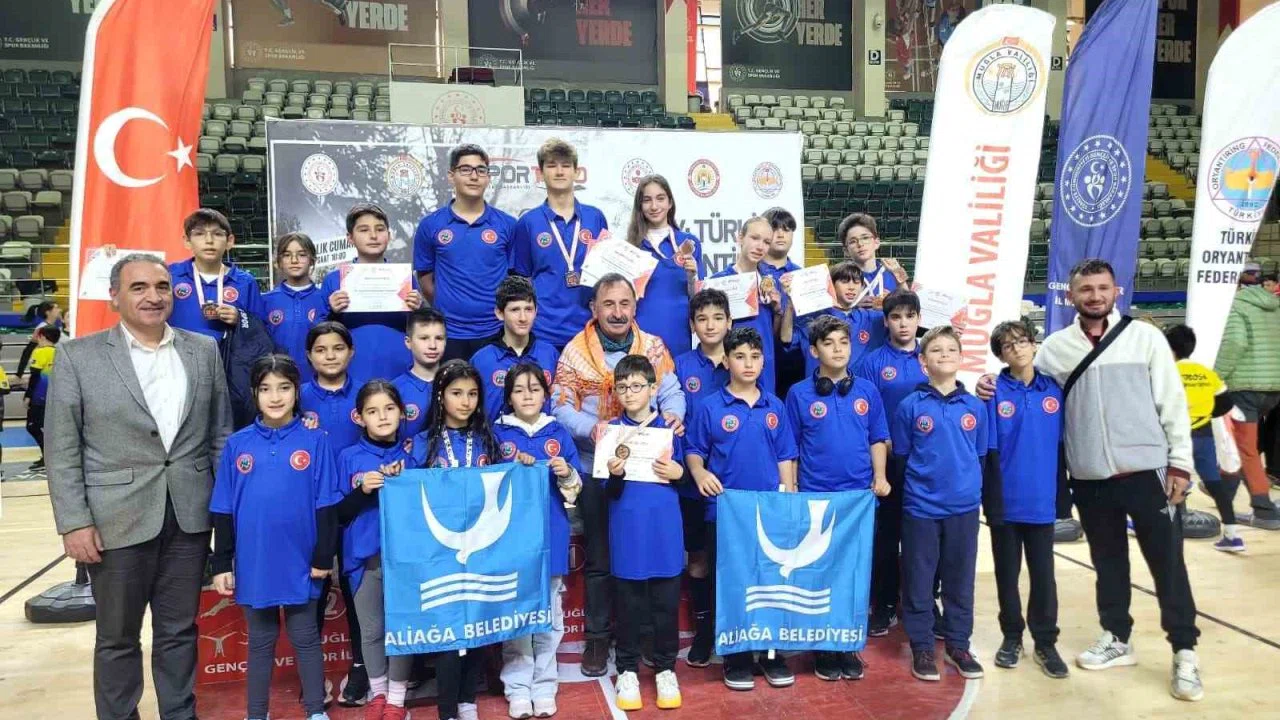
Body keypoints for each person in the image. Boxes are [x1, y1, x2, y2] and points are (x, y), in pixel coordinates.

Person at [977, 258, 1201, 701]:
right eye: (1086, 289)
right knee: (1108, 561)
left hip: (1147, 470)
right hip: (1090, 477)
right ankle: (1117, 636)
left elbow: (1172, 402)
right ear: (1071, 296)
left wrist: (1180, 462)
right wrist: (988, 382)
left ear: (1116, 291)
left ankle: (1184, 651)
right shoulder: (1055, 349)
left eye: (1102, 288)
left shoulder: (1145, 338)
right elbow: (1021, 377)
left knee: (1167, 563)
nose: (1095, 296)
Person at [46, 253, 234, 720]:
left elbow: (220, 437)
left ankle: (180, 713)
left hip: (189, 516)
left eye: (162, 286)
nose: (153, 296)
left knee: (179, 631)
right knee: (116, 637)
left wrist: (225, 515)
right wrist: (74, 522)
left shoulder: (203, 350)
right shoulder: (78, 356)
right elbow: (62, 448)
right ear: (114, 297)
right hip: (114, 520)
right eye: (139, 287)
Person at [551, 273, 687, 676]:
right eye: (608, 304)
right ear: (594, 308)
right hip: (596, 465)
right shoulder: (575, 352)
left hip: (649, 468)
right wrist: (590, 428)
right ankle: (597, 638)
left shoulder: (653, 346)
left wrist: (673, 415)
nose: (617, 312)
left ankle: (643, 635)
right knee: (600, 556)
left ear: (635, 306)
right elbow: (560, 405)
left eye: (624, 303)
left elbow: (673, 391)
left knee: (645, 554)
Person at [209, 354, 340, 720]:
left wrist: (322, 557)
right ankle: (257, 714)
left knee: (305, 637)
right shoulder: (238, 445)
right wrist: (221, 563)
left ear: (297, 392)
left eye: (284, 387)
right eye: (266, 389)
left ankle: (315, 711)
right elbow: (223, 508)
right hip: (255, 561)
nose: (275, 396)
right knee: (260, 642)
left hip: (302, 561)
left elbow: (327, 504)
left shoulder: (315, 442)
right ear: (254, 393)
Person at [685, 326, 798, 691]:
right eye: (739, 356)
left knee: (770, 582)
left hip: (768, 512)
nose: (748, 363)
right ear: (727, 361)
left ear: (763, 361)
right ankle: (736, 657)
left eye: (755, 356)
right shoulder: (710, 407)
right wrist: (700, 473)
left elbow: (785, 455)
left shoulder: (775, 406)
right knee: (731, 583)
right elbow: (694, 451)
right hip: (725, 512)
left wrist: (788, 497)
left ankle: (771, 653)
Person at [784, 315, 891, 682]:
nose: (838, 349)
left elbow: (877, 437)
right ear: (814, 351)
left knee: (854, 574)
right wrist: (792, 489)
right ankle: (824, 648)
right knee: (821, 573)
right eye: (829, 343)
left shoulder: (868, 392)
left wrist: (880, 476)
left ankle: (847, 644)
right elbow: (790, 448)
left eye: (844, 342)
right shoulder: (799, 394)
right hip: (816, 498)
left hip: (859, 500)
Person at [892, 325, 988, 683]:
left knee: (960, 580)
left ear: (961, 358)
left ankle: (959, 644)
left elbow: (980, 456)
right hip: (921, 509)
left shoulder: (975, 407)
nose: (944, 355)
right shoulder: (909, 406)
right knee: (919, 580)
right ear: (923, 361)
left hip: (963, 509)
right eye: (936, 350)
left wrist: (969, 491)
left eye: (951, 350)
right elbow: (902, 458)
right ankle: (921, 646)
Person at [410, 360, 504, 720]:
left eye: (472, 394)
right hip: (440, 553)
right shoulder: (422, 443)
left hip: (482, 549)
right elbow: (409, 497)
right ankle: (447, 710)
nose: (465, 401)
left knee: (477, 627)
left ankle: (467, 702)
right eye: (456, 393)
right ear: (440, 396)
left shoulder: (488, 439)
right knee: (450, 635)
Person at [493, 363, 584, 720]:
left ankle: (545, 684)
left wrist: (566, 472)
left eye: (534, 389)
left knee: (549, 614)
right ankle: (517, 686)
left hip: (551, 534)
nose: (527, 395)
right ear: (508, 397)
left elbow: (576, 489)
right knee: (517, 615)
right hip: (510, 540)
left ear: (546, 395)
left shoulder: (558, 432)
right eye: (519, 390)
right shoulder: (497, 434)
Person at [983, 319, 1069, 679]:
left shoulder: (1055, 390)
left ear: (1034, 345)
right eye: (1008, 345)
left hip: (1042, 500)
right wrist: (990, 499)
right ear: (1001, 355)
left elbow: (1064, 447)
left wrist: (1063, 497)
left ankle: (1046, 642)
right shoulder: (992, 392)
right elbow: (988, 451)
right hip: (1005, 500)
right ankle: (1012, 636)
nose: (1016, 348)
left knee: (1044, 575)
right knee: (1007, 574)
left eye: (1022, 341)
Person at [604, 355, 688, 712]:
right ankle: (627, 670)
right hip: (627, 529)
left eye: (637, 385)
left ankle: (666, 669)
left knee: (666, 605)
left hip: (664, 528)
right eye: (622, 387)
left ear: (653, 389)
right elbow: (609, 491)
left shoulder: (670, 429)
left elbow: (687, 477)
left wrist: (679, 472)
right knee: (629, 606)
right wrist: (615, 474)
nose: (629, 392)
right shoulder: (611, 432)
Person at [333, 380, 418, 720]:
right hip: (363, 559)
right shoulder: (348, 458)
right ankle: (378, 694)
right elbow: (338, 514)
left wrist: (403, 482)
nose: (382, 417)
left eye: (389, 409)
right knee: (371, 630)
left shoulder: (413, 457)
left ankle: (397, 699)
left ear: (402, 413)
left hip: (406, 559)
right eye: (373, 411)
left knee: (401, 628)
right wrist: (363, 490)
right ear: (359, 417)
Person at [856, 289, 927, 635]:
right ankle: (883, 604)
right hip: (887, 461)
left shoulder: (931, 356)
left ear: (919, 319)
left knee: (924, 536)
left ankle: (925, 602)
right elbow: (866, 416)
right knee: (885, 536)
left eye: (909, 316)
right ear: (885, 322)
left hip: (926, 461)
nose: (903, 323)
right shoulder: (871, 363)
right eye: (896, 317)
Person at [413, 144, 518, 362]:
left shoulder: (507, 224)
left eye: (481, 170)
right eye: (465, 169)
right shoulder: (430, 225)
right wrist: (450, 305)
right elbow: (425, 278)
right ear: (451, 176)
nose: (474, 176)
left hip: (496, 330)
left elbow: (515, 278)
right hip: (449, 333)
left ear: (488, 177)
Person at [671, 288, 731, 664]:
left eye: (717, 318)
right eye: (702, 319)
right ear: (692, 325)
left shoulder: (743, 360)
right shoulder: (680, 365)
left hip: (735, 480)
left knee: (733, 559)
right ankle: (704, 631)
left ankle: (732, 630)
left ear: (729, 322)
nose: (710, 325)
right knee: (698, 558)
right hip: (692, 481)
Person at [512, 138, 610, 350]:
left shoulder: (595, 218)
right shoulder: (528, 223)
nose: (559, 172)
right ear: (540, 173)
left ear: (576, 172)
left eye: (565, 165)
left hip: (589, 329)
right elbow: (522, 280)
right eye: (551, 165)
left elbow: (606, 273)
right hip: (543, 331)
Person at [322, 204, 424, 383]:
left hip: (399, 366)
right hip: (351, 368)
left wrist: (419, 310)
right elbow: (317, 333)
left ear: (389, 236)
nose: (373, 236)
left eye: (380, 229)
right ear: (350, 238)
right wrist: (332, 312)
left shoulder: (405, 279)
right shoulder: (334, 280)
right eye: (364, 230)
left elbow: (422, 330)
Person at [1213, 260, 1280, 528]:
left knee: (1244, 449)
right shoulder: (1274, 306)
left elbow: (1235, 343)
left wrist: (1216, 376)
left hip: (1245, 387)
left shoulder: (1235, 307)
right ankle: (1222, 490)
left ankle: (1263, 509)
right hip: (1272, 388)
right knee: (1240, 445)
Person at [1166, 324, 1244, 551]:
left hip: (1174, 436)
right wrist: (1204, 414)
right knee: (1214, 484)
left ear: (1169, 348)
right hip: (1203, 435)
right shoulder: (1206, 373)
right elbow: (1225, 404)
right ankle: (1233, 536)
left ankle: (1158, 529)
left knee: (1163, 481)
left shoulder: (1167, 372)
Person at [625, 175, 704, 358]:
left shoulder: (689, 243)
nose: (654, 206)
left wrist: (692, 277)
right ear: (640, 206)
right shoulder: (631, 247)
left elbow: (699, 299)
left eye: (660, 198)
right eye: (647, 200)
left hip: (678, 335)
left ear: (670, 203)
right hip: (641, 336)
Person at [710, 216, 790, 396]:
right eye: (755, 238)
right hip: (729, 367)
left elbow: (774, 336)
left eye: (766, 242)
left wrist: (778, 311)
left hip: (764, 366)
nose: (760, 246)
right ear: (740, 238)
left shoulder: (772, 284)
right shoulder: (718, 282)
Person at [470, 275, 560, 421]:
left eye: (528, 309)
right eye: (515, 310)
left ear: (536, 311)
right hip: (494, 435)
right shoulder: (482, 360)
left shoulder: (550, 355)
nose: (523, 318)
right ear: (499, 313)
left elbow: (560, 404)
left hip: (542, 434)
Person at [168, 208, 264, 339]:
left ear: (229, 241)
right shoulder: (170, 275)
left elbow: (260, 327)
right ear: (187, 241)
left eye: (217, 234)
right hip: (180, 351)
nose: (209, 240)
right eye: (199, 234)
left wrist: (240, 318)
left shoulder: (245, 282)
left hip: (228, 351)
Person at [788, 261, 886, 377]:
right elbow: (786, 339)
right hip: (820, 385)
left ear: (862, 287)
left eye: (856, 282)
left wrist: (899, 287)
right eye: (844, 281)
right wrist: (790, 306)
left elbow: (903, 318)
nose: (851, 287)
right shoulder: (813, 318)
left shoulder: (871, 318)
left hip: (858, 386)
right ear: (831, 285)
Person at [263, 232, 327, 383]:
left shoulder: (325, 299)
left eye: (302, 255)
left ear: (312, 260)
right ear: (279, 262)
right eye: (287, 255)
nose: (294, 260)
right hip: (278, 382)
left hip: (318, 383)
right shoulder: (265, 301)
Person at [759, 207, 805, 396]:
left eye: (786, 229)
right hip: (756, 354)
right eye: (774, 229)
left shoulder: (803, 276)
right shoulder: (750, 273)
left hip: (795, 357)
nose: (780, 234)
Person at [301, 322, 364, 452]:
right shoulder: (297, 396)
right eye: (320, 350)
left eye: (338, 349)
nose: (330, 356)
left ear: (351, 351)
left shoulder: (367, 394)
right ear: (309, 355)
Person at [392, 307, 448, 438]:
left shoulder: (457, 384)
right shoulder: (395, 390)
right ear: (408, 342)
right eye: (424, 338)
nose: (433, 345)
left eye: (439, 338)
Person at [839, 213, 907, 305]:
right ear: (846, 251)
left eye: (865, 238)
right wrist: (852, 305)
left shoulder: (893, 273)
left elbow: (910, 306)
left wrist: (891, 303)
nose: (860, 244)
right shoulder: (840, 278)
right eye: (853, 241)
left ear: (877, 242)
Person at [25, 325, 59, 470]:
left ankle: (48, 457)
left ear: (42, 337)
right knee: (49, 428)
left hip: (39, 396)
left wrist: (28, 395)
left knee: (32, 426)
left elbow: (35, 376)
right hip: (56, 396)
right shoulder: (60, 352)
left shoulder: (39, 352)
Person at [16, 299, 63, 380]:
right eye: (56, 308)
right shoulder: (42, 328)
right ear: (48, 312)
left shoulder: (57, 327)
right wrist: (19, 374)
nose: (60, 310)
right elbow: (28, 351)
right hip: (43, 369)